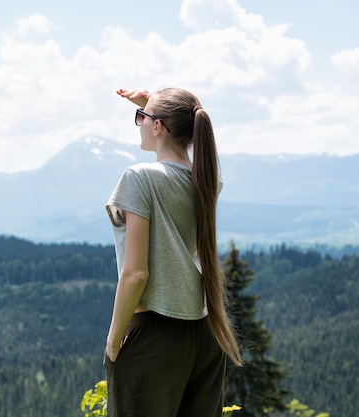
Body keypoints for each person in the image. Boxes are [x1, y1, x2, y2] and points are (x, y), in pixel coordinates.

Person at [103, 87, 242, 417]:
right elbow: (190, 118)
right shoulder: (208, 180)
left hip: (152, 335)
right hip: (204, 333)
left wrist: (113, 342)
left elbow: (136, 274)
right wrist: (152, 108)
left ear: (158, 126)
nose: (138, 123)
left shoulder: (139, 178)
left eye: (141, 117)